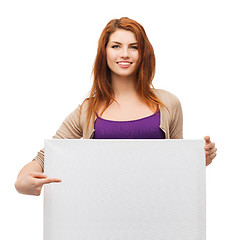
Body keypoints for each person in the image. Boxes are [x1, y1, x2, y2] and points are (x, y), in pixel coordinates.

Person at [15, 17, 217, 196]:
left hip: (157, 215)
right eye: (116, 46)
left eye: (134, 47)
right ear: (104, 52)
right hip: (102, 217)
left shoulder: (168, 104)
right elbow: (47, 155)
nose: (125, 54)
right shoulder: (87, 110)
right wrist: (22, 181)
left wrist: (199, 159)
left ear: (143, 53)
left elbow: (174, 165)